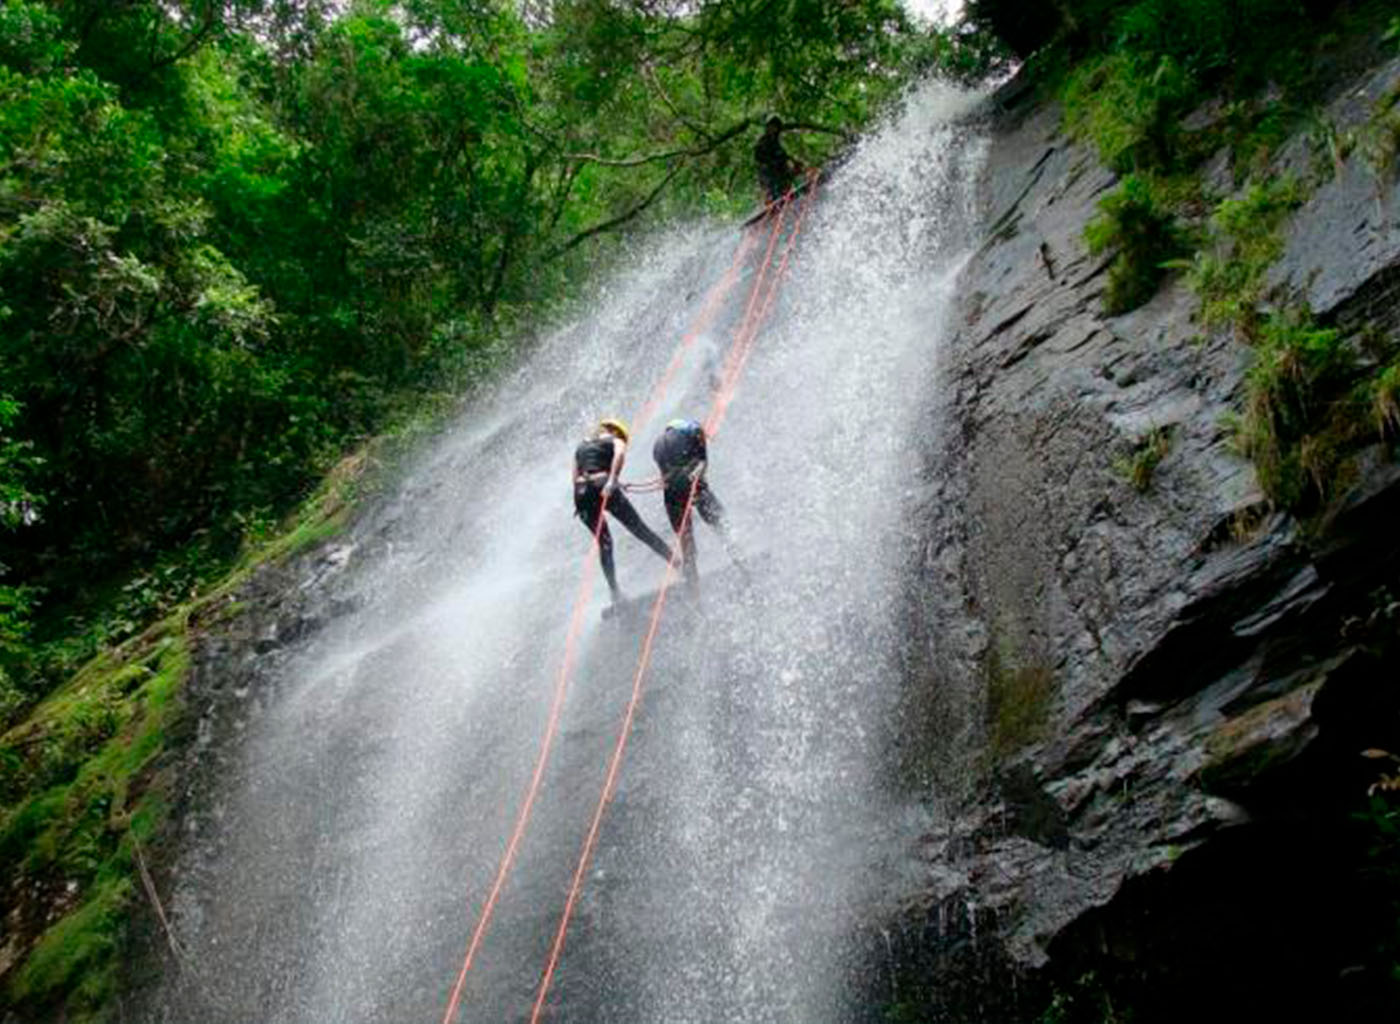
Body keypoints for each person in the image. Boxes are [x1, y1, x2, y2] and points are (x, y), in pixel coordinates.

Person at [573, 417, 673, 606]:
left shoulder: (581, 446)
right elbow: (619, 456)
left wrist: (579, 504)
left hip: (581, 493)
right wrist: (612, 480)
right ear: (615, 431)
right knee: (639, 529)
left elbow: (575, 475)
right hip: (603, 484)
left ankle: (614, 592)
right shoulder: (615, 440)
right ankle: (676, 562)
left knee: (604, 543)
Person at [651, 418, 742, 591]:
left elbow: (667, 478)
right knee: (721, 522)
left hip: (671, 489)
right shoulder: (694, 429)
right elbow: (702, 463)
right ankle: (741, 561)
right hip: (688, 478)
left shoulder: (658, 445)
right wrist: (696, 484)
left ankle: (693, 588)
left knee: (686, 543)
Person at [754, 113, 804, 204]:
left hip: (780, 173)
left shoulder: (776, 142)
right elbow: (760, 158)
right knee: (775, 185)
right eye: (771, 126)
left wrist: (794, 162)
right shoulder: (763, 142)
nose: (773, 129)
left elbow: (784, 156)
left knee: (792, 173)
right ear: (767, 127)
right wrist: (774, 162)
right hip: (769, 175)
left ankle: (793, 194)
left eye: (775, 127)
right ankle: (774, 200)